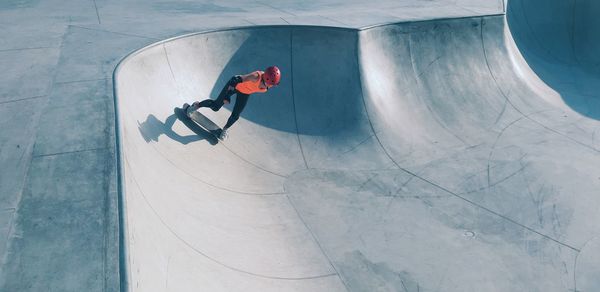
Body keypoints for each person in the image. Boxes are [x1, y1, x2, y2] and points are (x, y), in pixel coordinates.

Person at [183, 66, 281, 140]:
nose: (272, 86)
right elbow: (235, 80)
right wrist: (227, 95)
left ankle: (224, 130)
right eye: (271, 84)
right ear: (266, 79)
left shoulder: (268, 84)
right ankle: (196, 106)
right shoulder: (256, 76)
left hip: (245, 93)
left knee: (236, 115)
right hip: (234, 85)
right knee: (216, 106)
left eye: (274, 85)